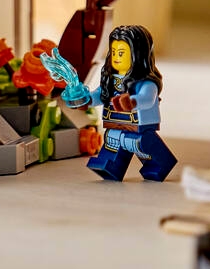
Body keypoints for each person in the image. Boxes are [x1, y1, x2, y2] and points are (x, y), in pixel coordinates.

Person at [40, 25, 178, 182]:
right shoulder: (111, 81)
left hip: (139, 125)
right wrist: (85, 101)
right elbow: (99, 96)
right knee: (113, 139)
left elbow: (148, 98)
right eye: (113, 52)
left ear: (137, 55)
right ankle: (110, 167)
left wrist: (132, 102)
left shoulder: (145, 82)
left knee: (139, 143)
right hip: (116, 123)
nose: (116, 57)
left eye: (121, 53)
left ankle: (160, 164)